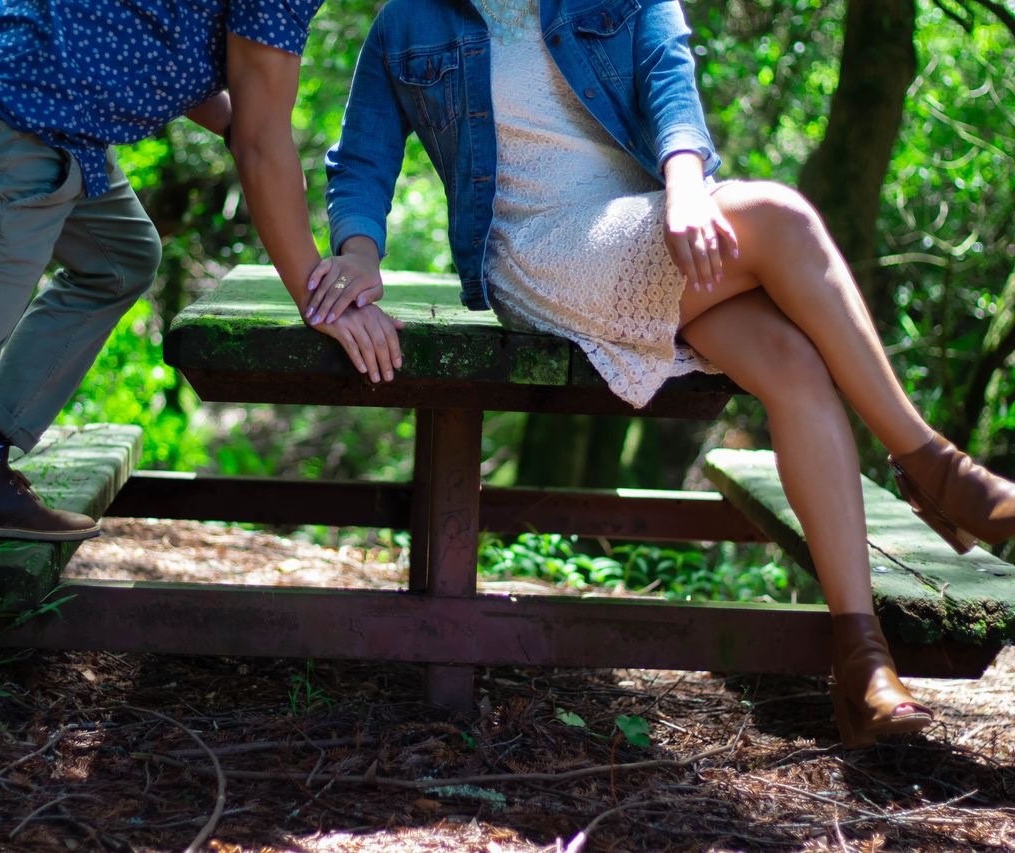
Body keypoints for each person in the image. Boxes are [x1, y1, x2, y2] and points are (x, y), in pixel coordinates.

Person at [311, 0, 1015, 748]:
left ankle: (862, 660)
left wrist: (685, 186)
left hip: (652, 218)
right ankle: (935, 469)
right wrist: (358, 251)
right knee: (780, 215)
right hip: (535, 248)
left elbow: (667, 78)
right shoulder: (408, 23)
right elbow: (361, 160)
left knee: (792, 363)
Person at [0, 0, 409, 777]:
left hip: (32, 100)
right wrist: (316, 296)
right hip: (8, 118)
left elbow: (170, 42)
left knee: (121, 254)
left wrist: (239, 121)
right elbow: (264, 139)